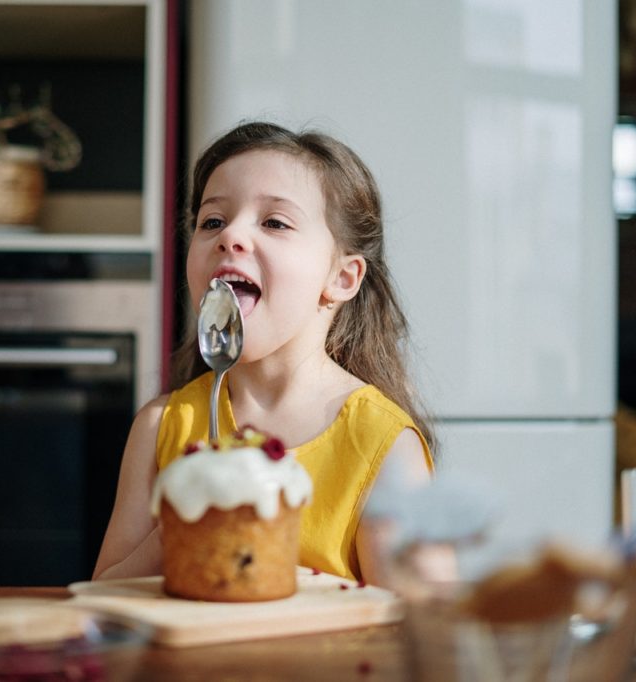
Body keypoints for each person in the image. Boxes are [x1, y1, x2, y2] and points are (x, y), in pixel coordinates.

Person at [93, 121, 434, 586]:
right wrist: (183, 528)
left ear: (342, 278)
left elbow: (420, 624)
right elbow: (102, 598)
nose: (229, 235)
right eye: (211, 221)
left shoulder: (383, 444)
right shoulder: (160, 428)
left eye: (274, 222)